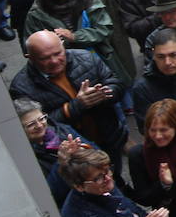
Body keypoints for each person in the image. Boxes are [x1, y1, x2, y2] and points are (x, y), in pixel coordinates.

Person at [11, 31, 127, 176]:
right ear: (30, 58)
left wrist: (105, 93)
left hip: (109, 136)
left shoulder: (86, 58)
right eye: (45, 58)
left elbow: (116, 83)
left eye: (58, 53)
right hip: (73, 154)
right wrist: (74, 107)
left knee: (114, 173)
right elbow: (37, 128)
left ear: (63, 46)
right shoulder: (21, 87)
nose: (54, 61)